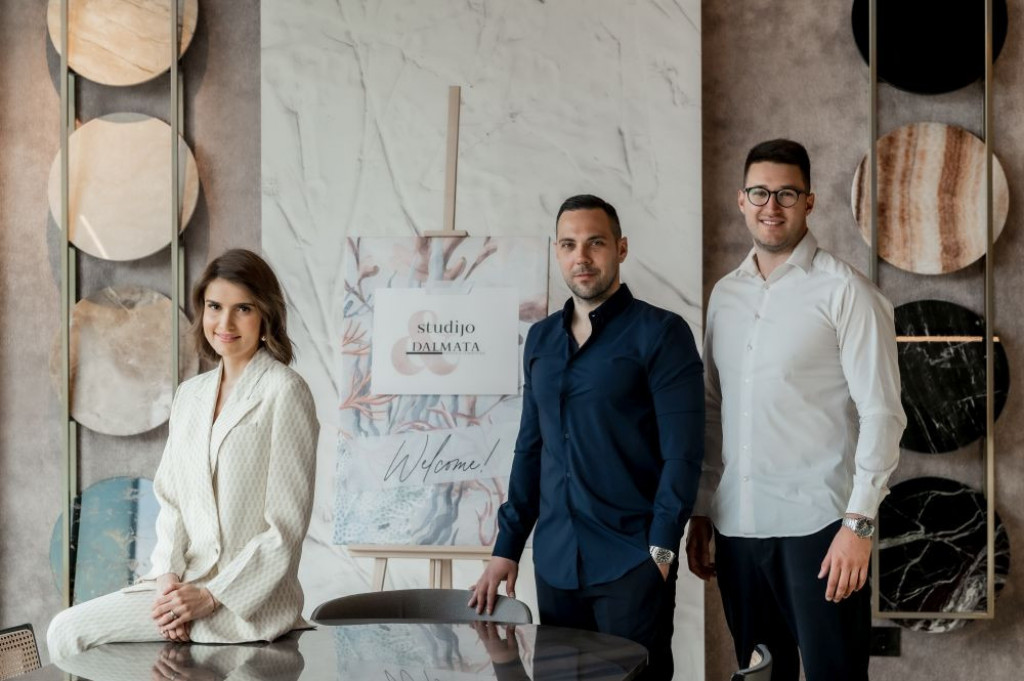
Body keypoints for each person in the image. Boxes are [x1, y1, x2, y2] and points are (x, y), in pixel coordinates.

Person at [686, 139, 906, 681]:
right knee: (760, 675)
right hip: (738, 529)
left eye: (787, 193)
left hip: (822, 531)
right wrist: (702, 511)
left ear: (809, 201)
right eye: (760, 192)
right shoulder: (724, 295)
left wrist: (859, 525)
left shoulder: (847, 292)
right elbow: (713, 409)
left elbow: (882, 414)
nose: (772, 206)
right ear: (742, 200)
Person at [469, 194, 704, 681]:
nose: (582, 256)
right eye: (569, 244)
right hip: (556, 566)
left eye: (595, 243)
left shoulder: (662, 333)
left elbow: (683, 455)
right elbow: (531, 449)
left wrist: (661, 552)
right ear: (557, 252)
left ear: (621, 248)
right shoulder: (540, 340)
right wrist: (507, 547)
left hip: (631, 564)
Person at [47, 249, 319, 661]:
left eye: (243, 309)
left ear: (266, 315)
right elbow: (172, 502)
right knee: (66, 631)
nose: (224, 324)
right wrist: (168, 586)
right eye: (215, 307)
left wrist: (210, 596)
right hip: (182, 584)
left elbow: (285, 528)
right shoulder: (190, 396)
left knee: (71, 632)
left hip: (245, 602)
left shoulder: (285, 391)